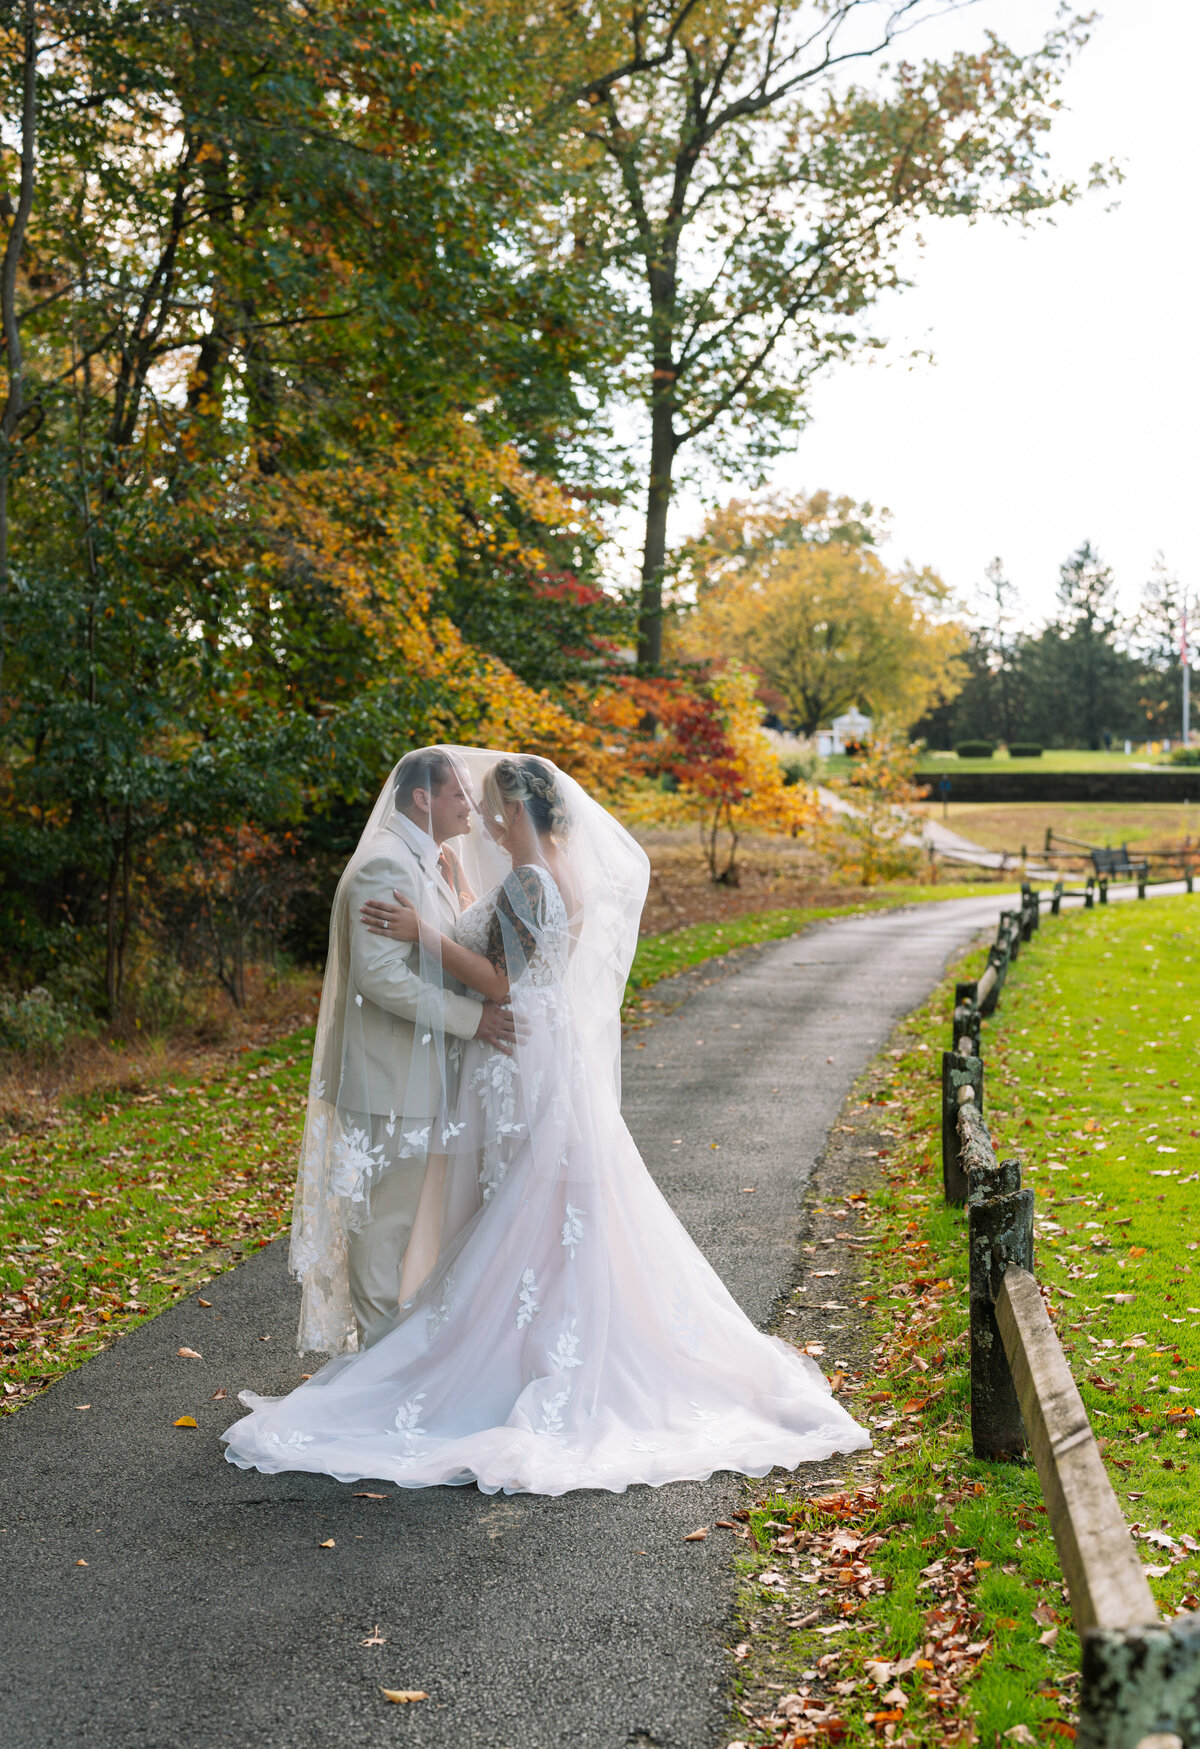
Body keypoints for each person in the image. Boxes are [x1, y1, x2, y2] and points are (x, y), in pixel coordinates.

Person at [224, 748, 868, 1495]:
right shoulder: (543, 875)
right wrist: (455, 910)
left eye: (491, 805)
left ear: (517, 812)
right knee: (532, 1206)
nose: (481, 816)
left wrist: (425, 934)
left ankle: (480, 1358)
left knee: (524, 1204)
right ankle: (505, 1348)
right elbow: (499, 941)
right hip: (529, 1051)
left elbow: (501, 976)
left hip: (516, 1053)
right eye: (470, 801)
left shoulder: (531, 879)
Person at [289, 748, 517, 1358]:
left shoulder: (432, 860)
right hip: (388, 1081)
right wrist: (475, 1019)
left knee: (399, 1227)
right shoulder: (383, 866)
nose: (470, 807)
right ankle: (375, 1370)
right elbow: (381, 979)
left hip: (419, 1077)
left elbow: (438, 948)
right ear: (424, 798)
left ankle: (385, 1364)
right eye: (459, 795)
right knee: (380, 1230)